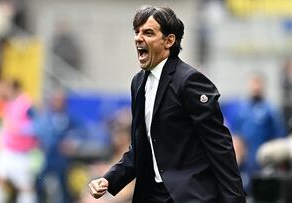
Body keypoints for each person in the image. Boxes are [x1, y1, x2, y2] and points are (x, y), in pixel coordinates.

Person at [88, 6, 245, 203]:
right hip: (152, 195)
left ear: (169, 40)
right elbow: (140, 148)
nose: (138, 38)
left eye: (148, 33)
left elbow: (219, 146)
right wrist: (108, 180)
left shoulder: (190, 81)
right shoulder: (138, 83)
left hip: (192, 196)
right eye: (137, 32)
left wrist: (235, 199)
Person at [234, 72, 286, 192]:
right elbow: (236, 137)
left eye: (258, 83)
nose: (255, 87)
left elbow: (278, 137)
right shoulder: (242, 109)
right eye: (253, 83)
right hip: (246, 164)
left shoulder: (271, 110)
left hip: (264, 163)